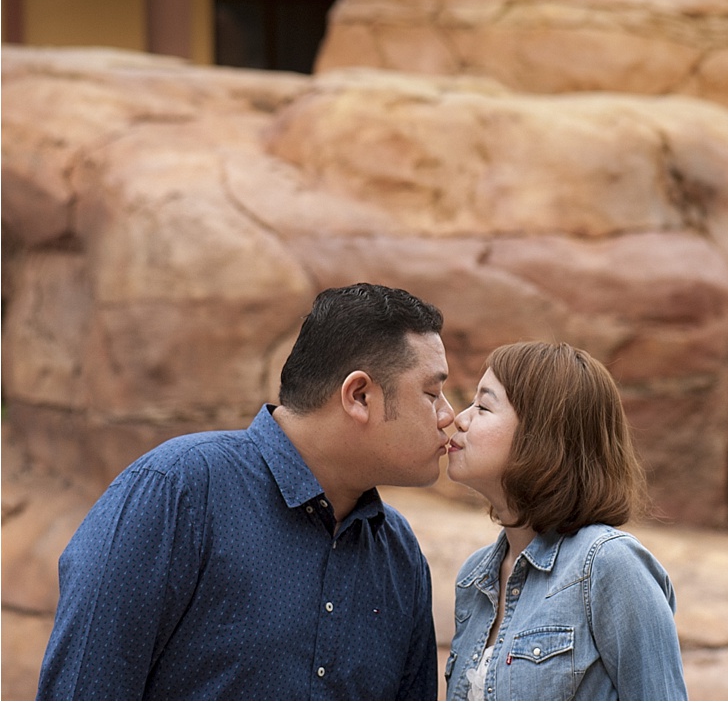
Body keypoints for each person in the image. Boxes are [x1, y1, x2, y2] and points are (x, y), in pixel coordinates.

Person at [37, 283, 455, 700]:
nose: (448, 415)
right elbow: (82, 687)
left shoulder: (400, 556)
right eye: (432, 394)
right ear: (359, 396)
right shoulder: (177, 490)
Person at [444, 341, 688, 701]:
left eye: (482, 406)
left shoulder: (608, 564)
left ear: (540, 435)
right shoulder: (474, 577)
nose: (459, 418)